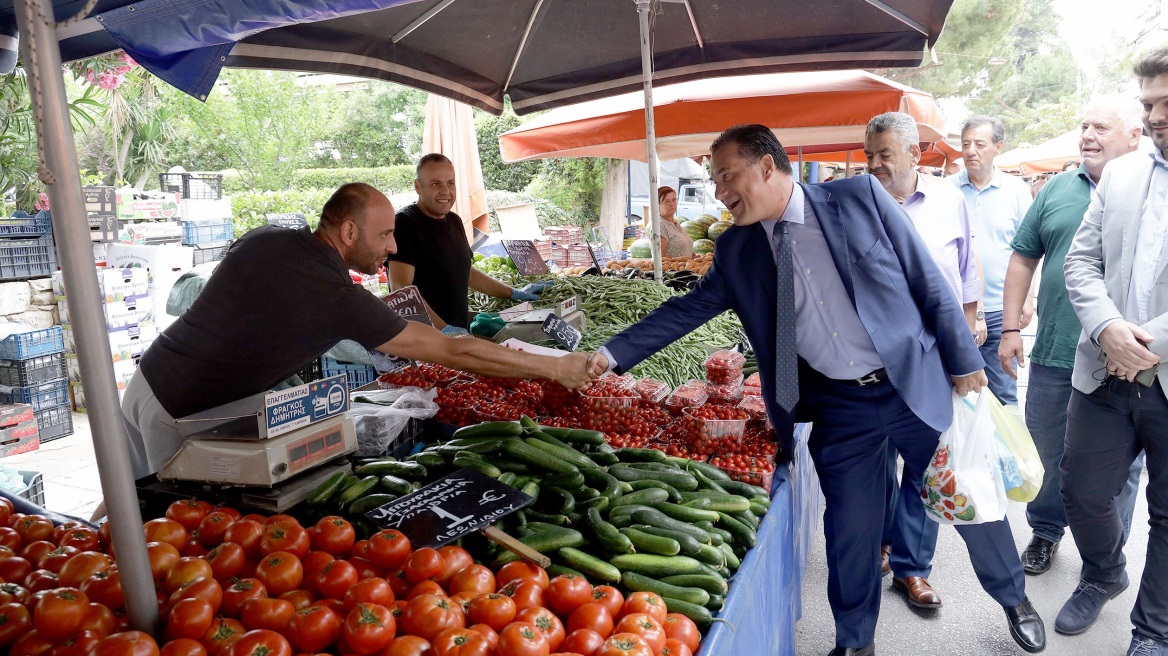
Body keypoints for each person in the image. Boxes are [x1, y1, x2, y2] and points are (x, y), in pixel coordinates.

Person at [590, 124, 1045, 656]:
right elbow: (685, 309)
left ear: (766, 166)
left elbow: (927, 279)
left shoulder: (858, 197)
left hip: (910, 383)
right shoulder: (737, 248)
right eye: (714, 182)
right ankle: (855, 643)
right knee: (849, 529)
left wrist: (964, 361)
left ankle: (1013, 598)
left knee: (968, 492)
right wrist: (605, 357)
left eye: (727, 176)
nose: (720, 192)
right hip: (839, 404)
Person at [124, 182, 595, 479]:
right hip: (178, 409)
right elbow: (449, 351)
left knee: (125, 505)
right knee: (158, 525)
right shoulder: (332, 295)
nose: (392, 247)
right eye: (386, 235)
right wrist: (551, 366)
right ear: (349, 232)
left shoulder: (272, 239)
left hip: (151, 378)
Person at [999, 96, 1146, 577]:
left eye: (1100, 126)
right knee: (1046, 450)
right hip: (1056, 352)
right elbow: (1024, 256)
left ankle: (1104, 557)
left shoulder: (1152, 192)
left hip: (1128, 360)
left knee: (1119, 467)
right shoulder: (1058, 188)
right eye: (1083, 126)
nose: (1087, 135)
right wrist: (1010, 327)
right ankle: (1045, 532)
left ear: (1134, 135)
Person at [1059, 46, 1168, 655]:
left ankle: (1153, 632)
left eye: (1165, 103)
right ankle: (1103, 571)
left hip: (1162, 373)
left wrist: (1146, 344)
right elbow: (1080, 260)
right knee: (1082, 493)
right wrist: (1107, 329)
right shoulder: (1122, 173)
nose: (1154, 116)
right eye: (1149, 104)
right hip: (1103, 373)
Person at [863, 111, 983, 610]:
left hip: (933, 357)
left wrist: (968, 344)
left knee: (924, 465)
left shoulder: (949, 202)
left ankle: (912, 569)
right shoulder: (856, 205)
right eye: (869, 155)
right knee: (876, 461)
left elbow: (966, 273)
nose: (874, 165)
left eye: (885, 155)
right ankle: (880, 545)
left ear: (915, 155)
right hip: (872, 362)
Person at [387, 154, 549, 331]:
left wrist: (513, 293)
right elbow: (401, 288)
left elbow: (468, 274)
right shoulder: (405, 224)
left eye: (450, 183)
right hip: (425, 339)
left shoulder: (454, 221)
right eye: (436, 184)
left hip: (455, 332)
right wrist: (443, 330)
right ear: (418, 186)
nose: (445, 191)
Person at [951, 116, 1035, 406]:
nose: (971, 150)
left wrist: (1026, 299)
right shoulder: (947, 191)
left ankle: (1007, 452)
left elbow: (1030, 250)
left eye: (979, 144)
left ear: (998, 147)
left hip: (1001, 308)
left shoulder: (1017, 192)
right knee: (958, 392)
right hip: (957, 309)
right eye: (965, 144)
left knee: (1002, 391)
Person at [643, 186, 694, 257]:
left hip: (685, 267)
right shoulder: (660, 226)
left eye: (674, 200)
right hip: (672, 268)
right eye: (666, 201)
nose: (672, 204)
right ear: (657, 205)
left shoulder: (675, 222)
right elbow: (661, 258)